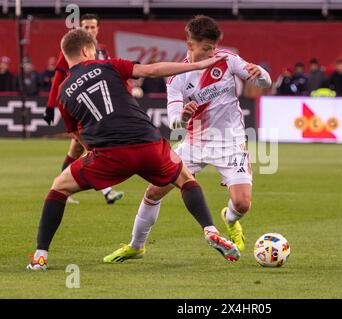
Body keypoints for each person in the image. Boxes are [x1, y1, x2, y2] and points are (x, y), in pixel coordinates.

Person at [27, 28, 239, 271]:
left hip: (110, 155)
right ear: (87, 50)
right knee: (185, 178)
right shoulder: (109, 66)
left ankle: (40, 256)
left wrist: (93, 153)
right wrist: (196, 67)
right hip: (149, 143)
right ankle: (210, 230)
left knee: (58, 188)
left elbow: (76, 133)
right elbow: (151, 70)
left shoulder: (64, 91)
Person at [104, 15, 271, 263]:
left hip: (231, 142)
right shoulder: (177, 77)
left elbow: (265, 83)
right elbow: (173, 120)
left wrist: (261, 73)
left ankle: (229, 219)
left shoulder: (227, 60)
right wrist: (181, 117)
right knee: (153, 192)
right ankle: (136, 246)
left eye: (214, 47)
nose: (212, 52)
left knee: (242, 203)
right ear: (190, 45)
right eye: (206, 48)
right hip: (194, 143)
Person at [42, 13, 123, 205]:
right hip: (80, 105)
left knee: (78, 148)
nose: (88, 31)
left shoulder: (102, 50)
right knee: (91, 146)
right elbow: (58, 77)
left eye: (92, 27)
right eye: (85, 27)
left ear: (98, 29)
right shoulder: (71, 50)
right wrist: (50, 105)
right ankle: (106, 191)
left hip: (99, 106)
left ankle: (61, 188)